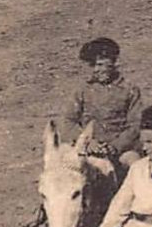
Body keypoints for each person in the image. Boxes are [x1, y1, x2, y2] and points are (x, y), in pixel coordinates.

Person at [58, 37, 144, 180]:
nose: (97, 70)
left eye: (101, 64)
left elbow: (136, 124)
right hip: (89, 150)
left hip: (121, 151)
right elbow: (68, 121)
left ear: (114, 63)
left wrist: (115, 146)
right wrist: (88, 143)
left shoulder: (130, 90)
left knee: (136, 166)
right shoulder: (82, 91)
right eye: (93, 66)